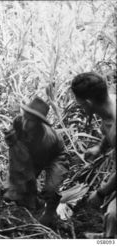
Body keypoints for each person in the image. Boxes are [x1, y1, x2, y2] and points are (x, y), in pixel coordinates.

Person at [4, 97, 69, 228]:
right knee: (21, 191)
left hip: (56, 156)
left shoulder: (47, 138)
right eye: (25, 117)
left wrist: (28, 181)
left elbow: (34, 167)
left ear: (39, 123)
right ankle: (35, 202)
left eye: (31, 121)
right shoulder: (18, 121)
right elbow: (16, 150)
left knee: (50, 189)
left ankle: (50, 213)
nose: (25, 123)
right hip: (33, 153)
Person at [71, 72, 116, 239]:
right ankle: (108, 236)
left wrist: (100, 193)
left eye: (81, 105)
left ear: (89, 103)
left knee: (113, 213)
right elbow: (109, 130)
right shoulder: (111, 100)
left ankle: (109, 240)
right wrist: (100, 148)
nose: (81, 108)